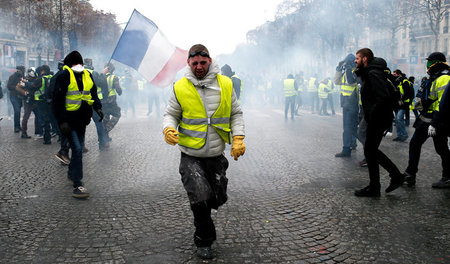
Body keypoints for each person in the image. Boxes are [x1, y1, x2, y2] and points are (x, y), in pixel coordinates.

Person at [162, 44, 245, 260]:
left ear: (209, 61)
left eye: (203, 62)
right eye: (195, 63)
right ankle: (204, 240)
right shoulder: (180, 86)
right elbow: (170, 114)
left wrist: (238, 137)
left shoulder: (225, 84)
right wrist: (168, 128)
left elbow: (236, 113)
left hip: (216, 154)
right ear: (189, 63)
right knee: (199, 198)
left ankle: (210, 207)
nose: (199, 67)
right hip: (190, 154)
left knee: (216, 197)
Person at [353, 48, 404, 197]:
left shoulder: (373, 73)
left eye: (357, 58)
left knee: (370, 150)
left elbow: (382, 97)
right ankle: (380, 184)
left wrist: (371, 115)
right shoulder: (371, 71)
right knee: (370, 150)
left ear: (365, 59)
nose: (355, 61)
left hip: (378, 117)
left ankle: (387, 180)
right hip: (378, 117)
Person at [53, 50, 103, 198]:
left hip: (82, 119)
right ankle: (78, 184)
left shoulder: (88, 75)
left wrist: (98, 108)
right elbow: (57, 100)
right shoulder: (63, 76)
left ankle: (71, 172)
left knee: (77, 149)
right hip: (68, 121)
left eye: (80, 63)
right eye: (76, 63)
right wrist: (61, 121)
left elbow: (93, 93)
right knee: (77, 149)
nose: (79, 65)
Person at [403, 52, 450, 188]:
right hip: (425, 119)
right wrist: (418, 104)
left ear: (437, 62)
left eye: (430, 62)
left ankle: (447, 177)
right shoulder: (431, 78)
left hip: (437, 121)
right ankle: (410, 174)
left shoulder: (445, 78)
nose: (427, 65)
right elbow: (426, 98)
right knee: (414, 144)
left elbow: (443, 103)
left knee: (441, 149)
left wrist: (435, 123)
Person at [334, 54, 359, 157]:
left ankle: (346, 149)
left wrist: (348, 69)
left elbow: (351, 81)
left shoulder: (356, 72)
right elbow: (337, 82)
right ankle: (352, 143)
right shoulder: (346, 72)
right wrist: (338, 70)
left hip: (352, 102)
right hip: (346, 102)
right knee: (351, 126)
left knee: (348, 127)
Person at [84, 58, 111, 150]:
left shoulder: (77, 73)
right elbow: (102, 83)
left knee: (81, 125)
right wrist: (103, 74)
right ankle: (102, 144)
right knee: (99, 123)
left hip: (82, 102)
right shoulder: (94, 73)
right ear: (91, 63)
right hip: (93, 102)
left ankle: (81, 145)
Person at [18, 67, 43, 139]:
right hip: (28, 100)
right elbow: (18, 87)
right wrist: (24, 92)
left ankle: (38, 131)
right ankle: (24, 132)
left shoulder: (36, 78)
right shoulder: (25, 79)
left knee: (38, 116)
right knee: (26, 116)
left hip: (35, 99)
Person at [392, 69, 413, 142]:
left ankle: (404, 135)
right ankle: (399, 135)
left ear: (399, 74)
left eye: (395, 74)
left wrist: (404, 100)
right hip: (398, 104)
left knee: (399, 118)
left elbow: (409, 93)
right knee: (397, 120)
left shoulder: (405, 81)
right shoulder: (397, 82)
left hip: (404, 104)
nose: (393, 76)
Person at [100, 62, 122, 133]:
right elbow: (118, 89)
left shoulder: (100, 77)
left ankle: (104, 138)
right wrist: (120, 92)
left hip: (102, 101)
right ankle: (107, 129)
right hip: (111, 101)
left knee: (105, 118)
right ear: (112, 69)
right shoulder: (114, 77)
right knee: (117, 114)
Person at [7, 66, 25, 133]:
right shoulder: (12, 77)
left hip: (20, 96)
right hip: (14, 96)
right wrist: (16, 87)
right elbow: (9, 86)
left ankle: (18, 125)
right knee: (17, 110)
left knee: (18, 111)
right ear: (18, 70)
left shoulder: (23, 77)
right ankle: (16, 127)